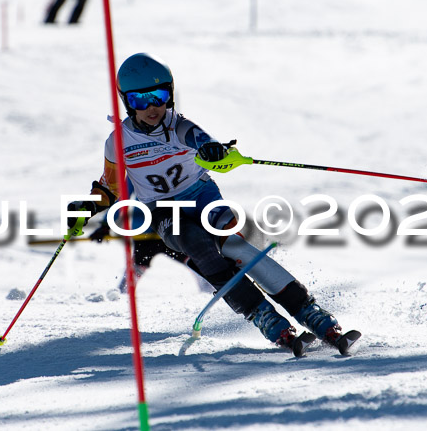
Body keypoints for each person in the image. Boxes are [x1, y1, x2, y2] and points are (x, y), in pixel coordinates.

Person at [67, 53, 360, 356]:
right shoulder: (117, 142)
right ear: (127, 103)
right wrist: (87, 208)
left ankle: (311, 314)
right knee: (196, 243)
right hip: (164, 211)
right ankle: (264, 316)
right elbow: (110, 189)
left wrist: (214, 151)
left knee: (236, 247)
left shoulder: (179, 126)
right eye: (141, 100)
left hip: (201, 195)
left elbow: (202, 141)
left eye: (160, 96)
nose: (153, 107)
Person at [87, 180, 213, 294]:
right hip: (151, 230)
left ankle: (212, 287)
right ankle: (121, 295)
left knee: (192, 258)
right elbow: (123, 198)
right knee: (141, 263)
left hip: (168, 226)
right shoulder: (135, 169)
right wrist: (106, 225)